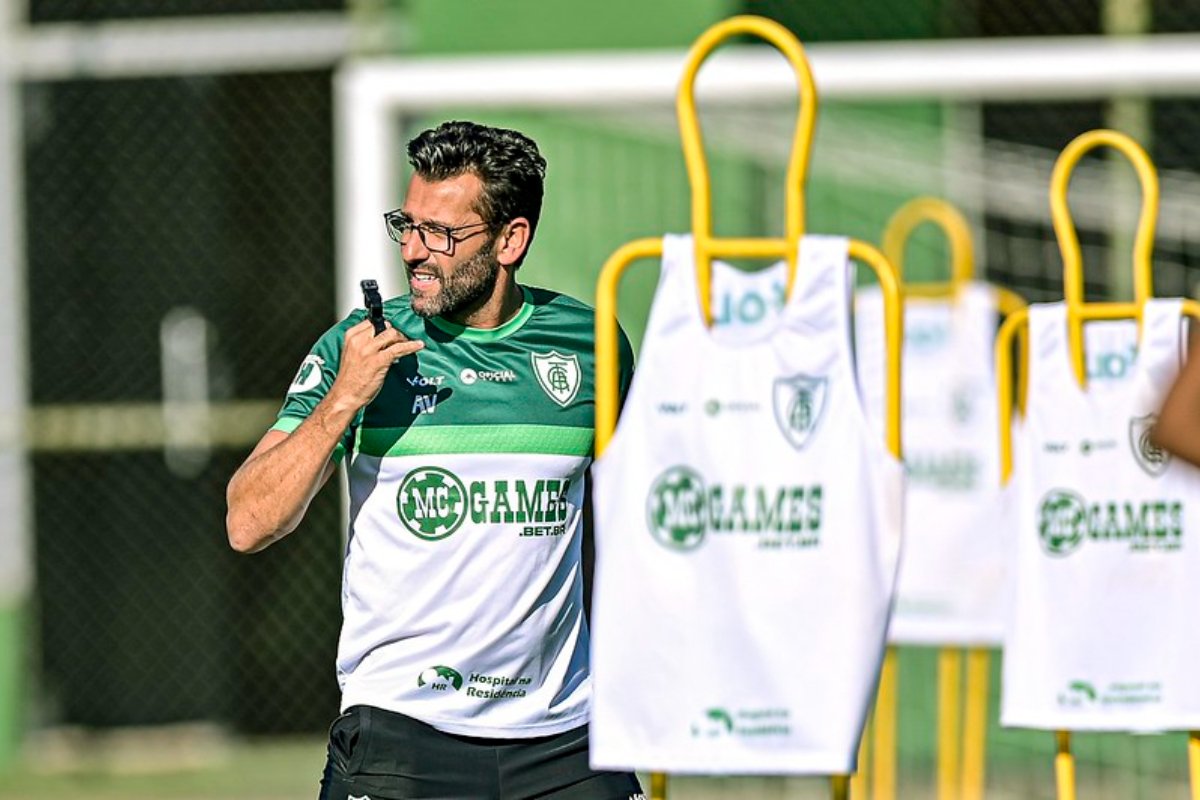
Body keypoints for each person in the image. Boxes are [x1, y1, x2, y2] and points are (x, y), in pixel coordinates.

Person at [226, 120, 640, 800]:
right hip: (403, 736)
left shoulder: (590, 346)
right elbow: (248, 521)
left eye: (441, 234)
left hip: (567, 739)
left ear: (511, 241)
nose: (414, 251)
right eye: (406, 226)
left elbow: (635, 520)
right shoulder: (358, 348)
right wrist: (342, 402)